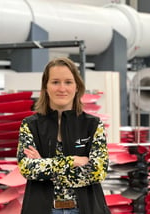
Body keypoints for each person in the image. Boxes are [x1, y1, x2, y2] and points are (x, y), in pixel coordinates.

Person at [16, 57, 110, 214]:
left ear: (77, 86)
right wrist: (72, 161)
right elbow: (27, 169)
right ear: (46, 87)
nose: (62, 88)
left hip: (85, 208)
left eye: (68, 82)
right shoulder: (30, 125)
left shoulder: (92, 125)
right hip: (41, 209)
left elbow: (98, 171)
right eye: (55, 82)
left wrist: (44, 165)